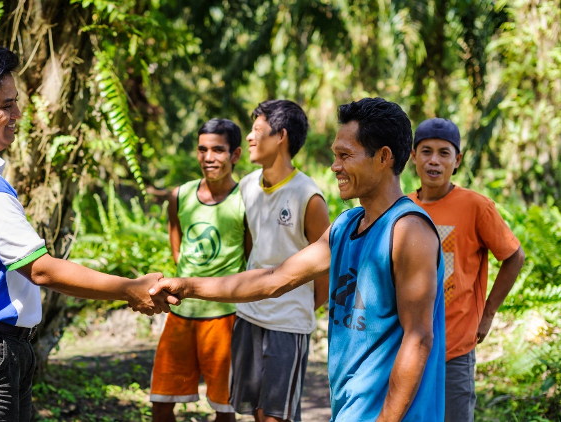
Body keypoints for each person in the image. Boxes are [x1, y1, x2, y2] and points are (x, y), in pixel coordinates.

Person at [150, 97, 446, 421]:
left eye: (345, 156)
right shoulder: (346, 226)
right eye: (335, 156)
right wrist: (188, 286)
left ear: (384, 157)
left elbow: (418, 340)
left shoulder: (409, 231)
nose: (335, 167)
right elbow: (275, 279)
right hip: (349, 409)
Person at [0, 44, 175, 422]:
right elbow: (40, 270)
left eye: (16, 102)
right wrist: (130, 288)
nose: (17, 115)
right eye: (5, 106)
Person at [409, 117, 525, 422]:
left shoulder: (477, 207)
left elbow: (514, 256)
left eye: (444, 153)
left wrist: (488, 314)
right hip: (406, 346)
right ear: (413, 156)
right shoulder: (402, 207)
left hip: (455, 349)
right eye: (426, 151)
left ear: (457, 160)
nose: (434, 160)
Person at [228, 99, 331, 422]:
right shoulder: (246, 186)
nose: (248, 138)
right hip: (248, 314)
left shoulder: (308, 196)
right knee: (257, 412)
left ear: (281, 136)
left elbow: (324, 265)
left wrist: (298, 306)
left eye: (257, 130)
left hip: (288, 323)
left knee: (278, 416)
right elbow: (250, 246)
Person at [150, 118, 247, 422]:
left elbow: (250, 251)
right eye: (202, 149)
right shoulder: (180, 196)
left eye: (218, 150)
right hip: (181, 314)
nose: (208, 157)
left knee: (224, 408)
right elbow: (177, 246)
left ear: (235, 155)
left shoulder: (247, 199)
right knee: (161, 403)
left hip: (224, 317)